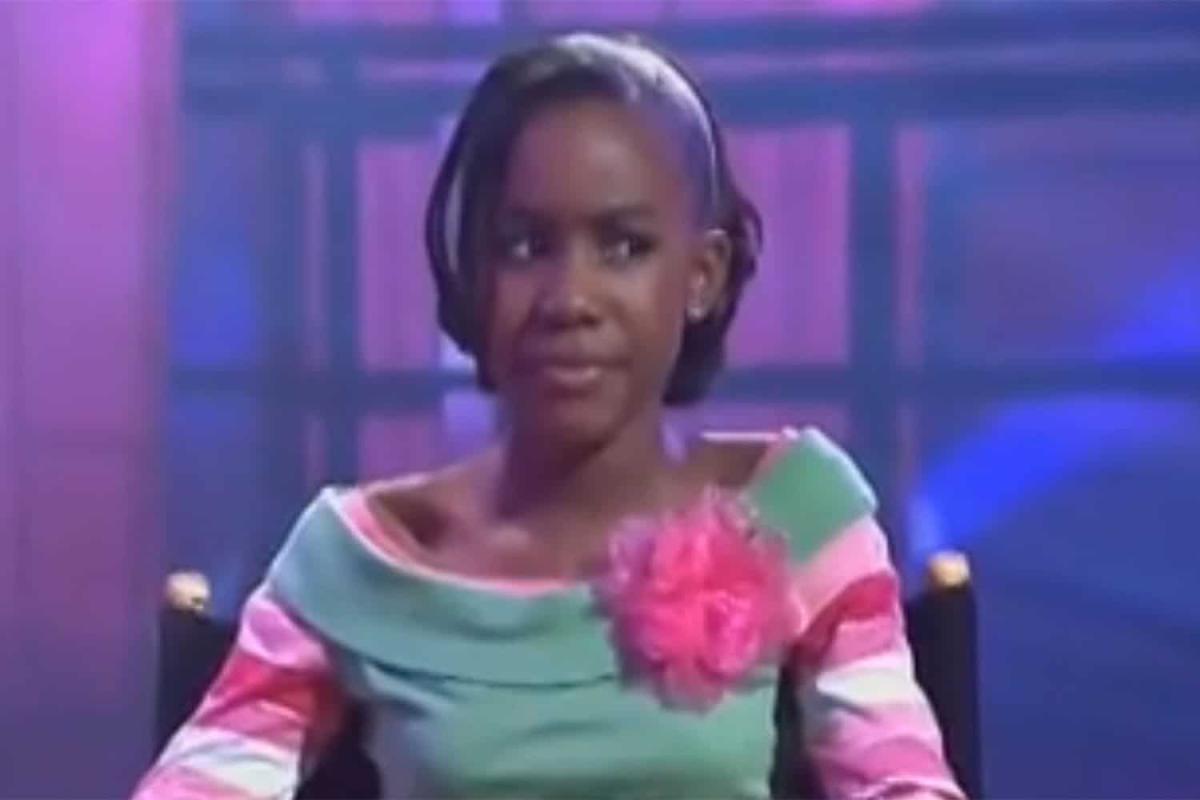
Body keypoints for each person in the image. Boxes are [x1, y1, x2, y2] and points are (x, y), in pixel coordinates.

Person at [135, 32, 964, 800]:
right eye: (526, 246)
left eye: (624, 247)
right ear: (473, 272)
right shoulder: (359, 560)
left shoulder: (796, 511)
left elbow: (902, 782)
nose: (570, 299)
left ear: (702, 275)